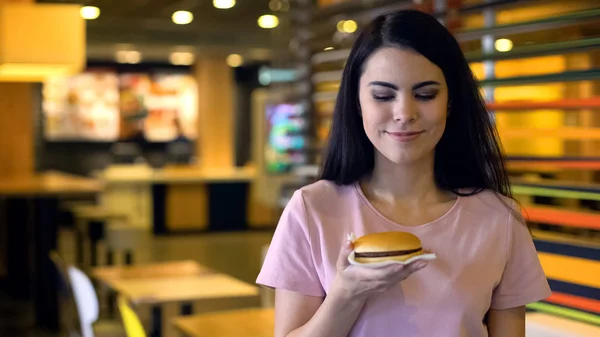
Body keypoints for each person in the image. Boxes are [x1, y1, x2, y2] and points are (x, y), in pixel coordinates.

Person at [256, 9, 551, 337]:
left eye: (426, 95)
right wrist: (346, 294)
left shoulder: (499, 219)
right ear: (357, 102)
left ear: (451, 101)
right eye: (383, 96)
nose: (404, 113)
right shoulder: (312, 210)